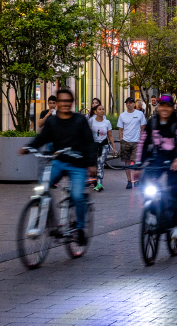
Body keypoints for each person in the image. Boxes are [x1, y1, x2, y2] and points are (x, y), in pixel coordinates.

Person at [22, 88, 96, 246]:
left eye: (68, 101)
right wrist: (29, 147)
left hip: (77, 164)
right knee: (42, 187)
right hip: (59, 162)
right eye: (61, 101)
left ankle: (80, 228)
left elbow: (90, 142)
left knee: (77, 196)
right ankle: (50, 222)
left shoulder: (80, 120)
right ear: (57, 103)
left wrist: (91, 163)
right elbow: (42, 137)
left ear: (72, 103)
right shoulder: (52, 121)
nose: (65, 104)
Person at [134, 94, 177, 240]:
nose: (164, 109)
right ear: (158, 107)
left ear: (172, 108)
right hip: (157, 160)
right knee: (144, 183)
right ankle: (152, 212)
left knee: (174, 192)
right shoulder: (152, 123)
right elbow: (143, 143)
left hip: (174, 161)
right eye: (162, 106)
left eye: (168, 106)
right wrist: (139, 164)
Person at [116, 96, 147, 189]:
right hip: (125, 141)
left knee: (136, 161)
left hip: (136, 141)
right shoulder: (122, 115)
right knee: (127, 162)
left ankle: (136, 180)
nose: (128, 104)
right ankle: (129, 181)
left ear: (134, 104)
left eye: (130, 103)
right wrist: (121, 140)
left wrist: (141, 139)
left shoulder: (139, 114)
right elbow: (120, 129)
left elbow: (143, 127)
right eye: (127, 103)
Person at [88, 103, 115, 192]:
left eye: (103, 109)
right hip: (94, 146)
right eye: (100, 109)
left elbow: (110, 135)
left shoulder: (107, 122)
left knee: (100, 162)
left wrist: (114, 148)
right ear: (95, 111)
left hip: (104, 145)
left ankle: (99, 183)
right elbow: (87, 134)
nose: (102, 111)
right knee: (95, 163)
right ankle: (95, 180)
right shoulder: (91, 121)